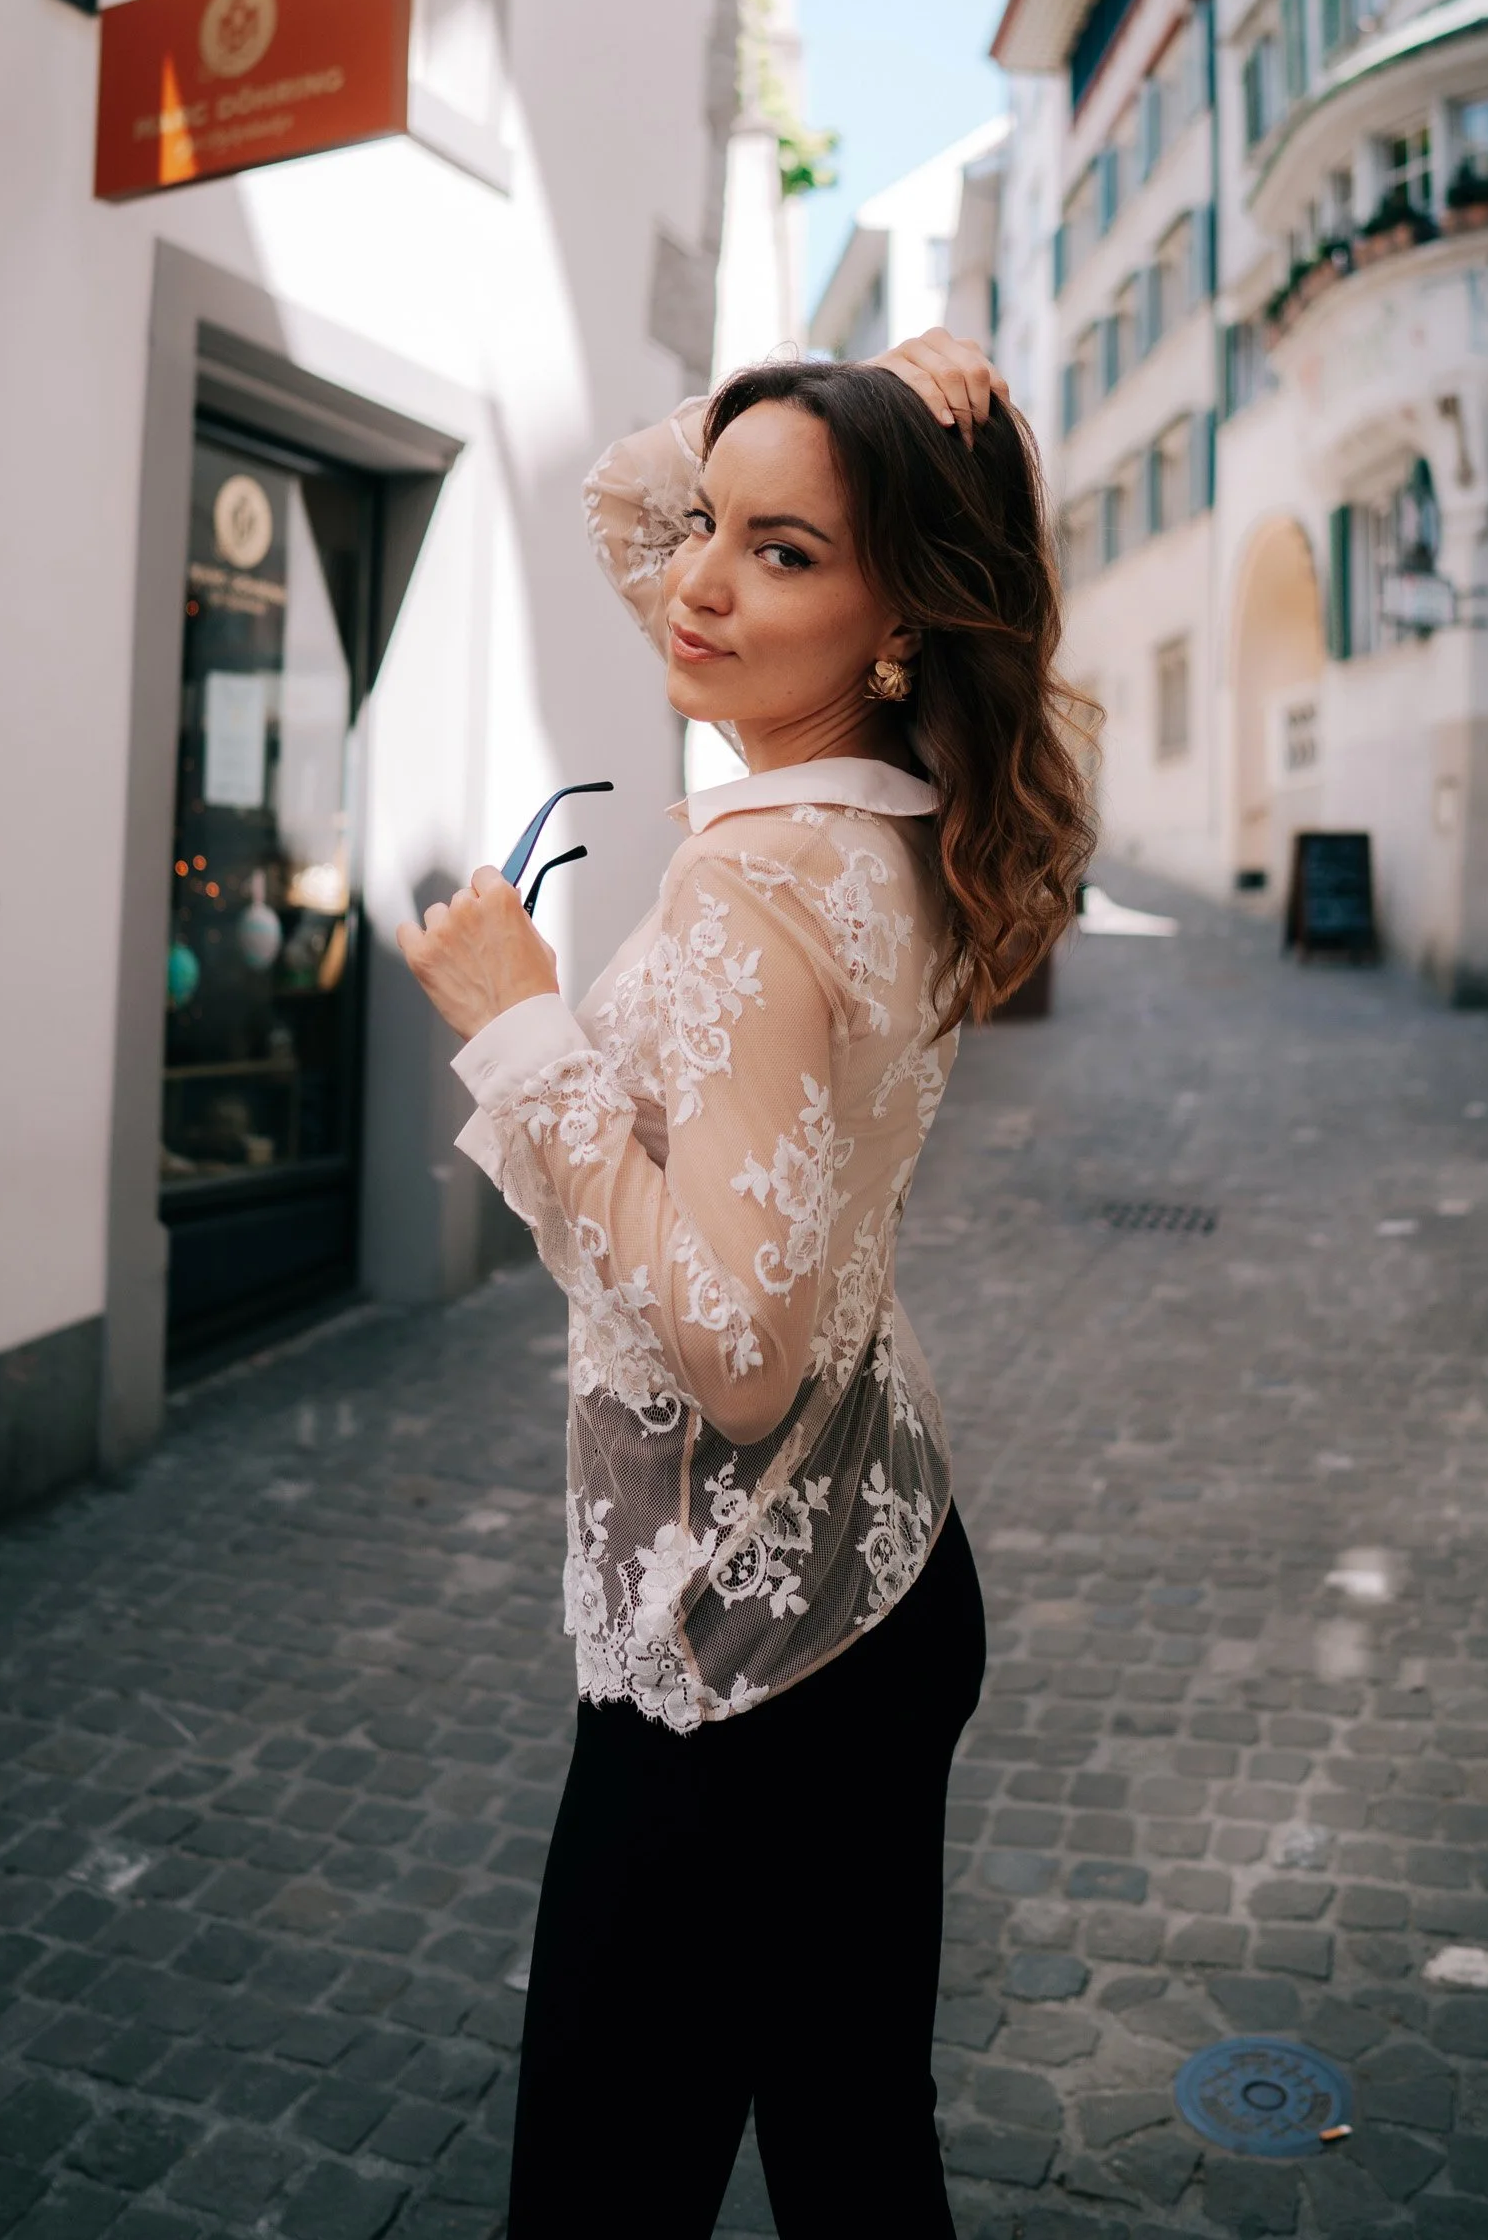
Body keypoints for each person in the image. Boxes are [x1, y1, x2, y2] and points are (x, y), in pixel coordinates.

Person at [398, 329, 1092, 2238]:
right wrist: (847, 408)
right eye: (715, 524)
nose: (696, 579)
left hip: (743, 1658)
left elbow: (737, 1353)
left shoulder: (760, 881)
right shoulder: (894, 812)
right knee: (856, 2142)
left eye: (784, 552)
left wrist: (519, 1028)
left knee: (602, 2195)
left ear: (899, 623)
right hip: (881, 1576)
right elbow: (631, 504)